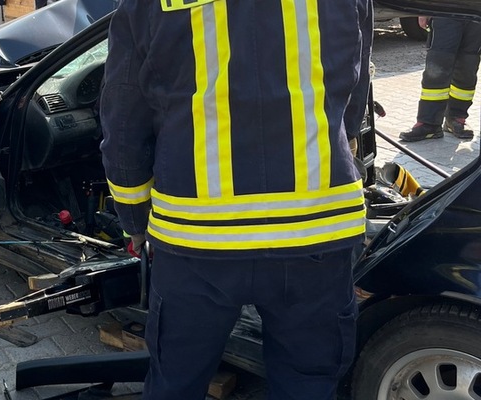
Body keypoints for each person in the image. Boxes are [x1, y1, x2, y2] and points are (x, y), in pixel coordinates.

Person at [99, 0, 370, 399]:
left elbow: (123, 123)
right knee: (307, 382)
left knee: (177, 381)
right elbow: (354, 92)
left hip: (197, 242)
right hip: (316, 234)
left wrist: (135, 221)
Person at [399, 17, 481, 142]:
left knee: (467, 69)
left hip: (476, 14)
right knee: (437, 68)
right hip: (445, 11)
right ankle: (429, 123)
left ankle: (456, 118)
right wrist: (424, 10)